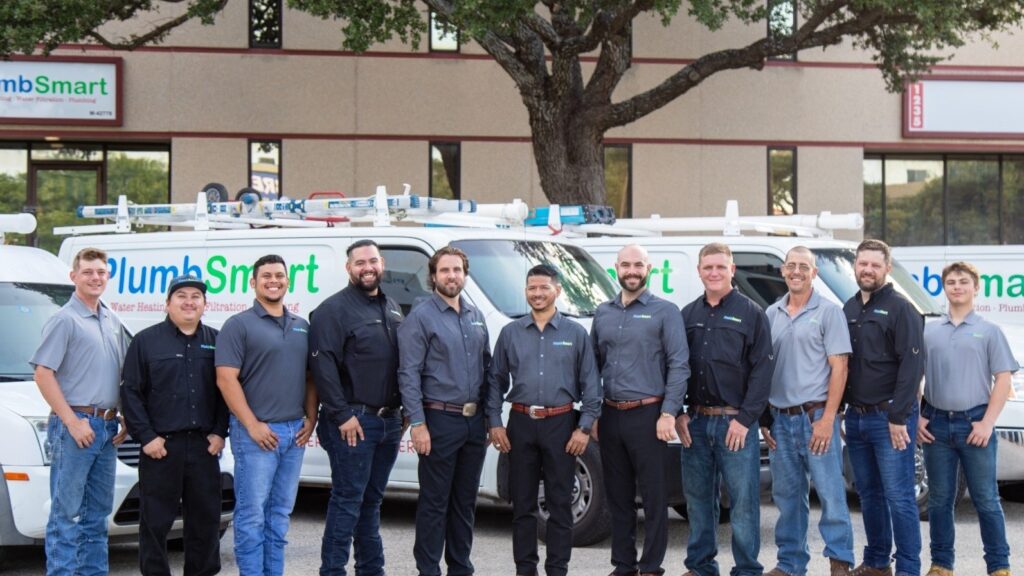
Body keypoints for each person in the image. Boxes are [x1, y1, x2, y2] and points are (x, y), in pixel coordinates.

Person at [487, 264, 603, 576]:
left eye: (543, 288)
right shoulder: (511, 333)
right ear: (526, 291)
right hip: (521, 423)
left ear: (557, 291)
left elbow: (592, 386)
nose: (537, 294)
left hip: (561, 425)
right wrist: (495, 422)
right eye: (532, 288)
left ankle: (557, 569)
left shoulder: (575, 334)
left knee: (560, 502)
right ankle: (525, 569)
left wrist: (584, 427)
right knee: (522, 504)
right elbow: (495, 381)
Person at [216, 254, 318, 576]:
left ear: (288, 281)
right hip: (256, 435)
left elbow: (311, 377)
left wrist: (311, 418)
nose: (273, 281)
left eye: (279, 276)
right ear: (253, 282)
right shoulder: (238, 325)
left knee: (280, 516)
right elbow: (225, 379)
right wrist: (252, 425)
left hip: (294, 434)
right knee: (251, 516)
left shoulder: (302, 326)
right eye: (266, 276)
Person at [31, 247, 129, 576]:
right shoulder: (64, 320)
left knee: (97, 516)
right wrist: (73, 423)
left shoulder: (111, 319)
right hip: (76, 427)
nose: (95, 277)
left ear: (108, 276)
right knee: (66, 515)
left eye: (101, 272)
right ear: (73, 277)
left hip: (105, 427)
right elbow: (43, 374)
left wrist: (123, 415)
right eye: (87, 272)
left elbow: (118, 373)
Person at [121, 274, 228, 576]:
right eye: (181, 295)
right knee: (155, 522)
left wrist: (220, 432)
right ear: (167, 303)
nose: (189, 301)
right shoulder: (146, 341)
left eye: (196, 296)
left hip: (204, 448)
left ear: (205, 304)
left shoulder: (217, 341)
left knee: (205, 521)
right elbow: (130, 392)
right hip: (160, 448)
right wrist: (147, 438)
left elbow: (227, 391)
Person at [592, 243, 689, 576]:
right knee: (617, 497)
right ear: (615, 268)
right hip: (610, 415)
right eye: (625, 265)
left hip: (649, 416)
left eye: (638, 265)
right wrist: (591, 414)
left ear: (649, 270)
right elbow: (593, 367)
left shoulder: (666, 311)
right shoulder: (602, 312)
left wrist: (668, 413)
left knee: (653, 496)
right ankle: (623, 565)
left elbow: (680, 365)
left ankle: (650, 567)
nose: (631, 271)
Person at [310, 240, 405, 576]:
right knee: (348, 501)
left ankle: (370, 569)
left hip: (388, 423)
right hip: (353, 422)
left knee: (371, 502)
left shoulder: (391, 306)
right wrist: (342, 415)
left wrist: (403, 411)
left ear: (382, 264)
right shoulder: (331, 311)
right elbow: (323, 368)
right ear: (348, 268)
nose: (367, 267)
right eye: (360, 262)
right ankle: (332, 570)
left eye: (373, 261)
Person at [677, 242, 773, 576]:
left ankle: (747, 569)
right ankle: (701, 567)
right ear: (699, 271)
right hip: (697, 423)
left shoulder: (752, 313)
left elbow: (763, 372)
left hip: (736, 425)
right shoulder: (687, 315)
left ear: (732, 269)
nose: (714, 273)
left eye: (720, 267)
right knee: (698, 501)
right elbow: (675, 368)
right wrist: (678, 412)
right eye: (708, 267)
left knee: (743, 504)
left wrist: (746, 420)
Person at [760, 247, 855, 576]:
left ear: (814, 273)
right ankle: (790, 564)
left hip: (816, 418)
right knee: (787, 497)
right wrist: (765, 418)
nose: (796, 271)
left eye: (804, 266)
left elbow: (839, 368)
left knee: (830, 493)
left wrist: (828, 419)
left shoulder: (830, 312)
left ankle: (839, 561)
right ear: (783, 272)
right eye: (791, 266)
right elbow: (762, 370)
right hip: (780, 420)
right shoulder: (771, 314)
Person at [918, 262, 1018, 576]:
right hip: (935, 424)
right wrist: (917, 417)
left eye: (963, 282)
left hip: (975, 423)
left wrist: (987, 423)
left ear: (975, 288)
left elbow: (1003, 379)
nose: (957, 287)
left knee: (986, 499)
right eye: (950, 282)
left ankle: (999, 566)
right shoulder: (928, 330)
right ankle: (941, 565)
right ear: (943, 288)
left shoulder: (989, 331)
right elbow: (913, 375)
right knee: (939, 500)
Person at [398, 246, 491, 576]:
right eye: (445, 270)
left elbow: (487, 368)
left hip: (473, 423)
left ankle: (460, 568)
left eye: (457, 270)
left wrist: (489, 422)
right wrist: (418, 423)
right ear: (433, 276)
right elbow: (408, 373)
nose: (452, 276)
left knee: (465, 502)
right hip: (438, 420)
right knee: (435, 503)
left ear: (465, 274)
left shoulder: (475, 315)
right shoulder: (421, 318)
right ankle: (428, 570)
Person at [843, 239, 925, 576]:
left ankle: (908, 568)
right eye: (863, 263)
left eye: (875, 265)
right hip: (857, 418)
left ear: (887, 269)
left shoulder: (901, 308)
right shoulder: (849, 308)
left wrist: (898, 417)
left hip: (889, 418)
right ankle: (877, 562)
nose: (868, 270)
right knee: (869, 494)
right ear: (855, 266)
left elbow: (912, 367)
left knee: (900, 496)